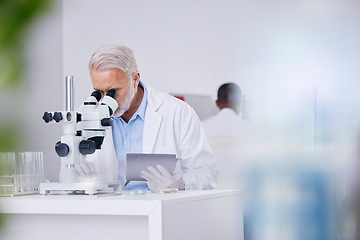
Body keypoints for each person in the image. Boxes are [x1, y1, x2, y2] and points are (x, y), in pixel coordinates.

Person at [76, 44, 218, 190]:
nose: (106, 101)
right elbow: (69, 170)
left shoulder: (178, 112)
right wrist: (81, 183)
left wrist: (182, 184)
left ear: (135, 79)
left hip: (159, 209)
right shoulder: (89, 114)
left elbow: (207, 172)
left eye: (113, 91)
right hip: (109, 208)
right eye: (99, 92)